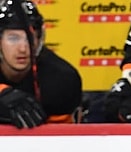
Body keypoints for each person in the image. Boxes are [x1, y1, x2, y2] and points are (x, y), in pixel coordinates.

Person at [0, 0, 82, 128]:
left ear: (39, 39)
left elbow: (60, 141)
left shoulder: (62, 79)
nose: (23, 48)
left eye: (30, 38)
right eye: (13, 38)